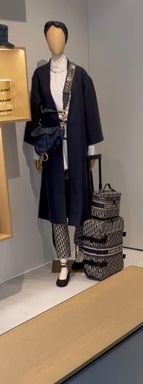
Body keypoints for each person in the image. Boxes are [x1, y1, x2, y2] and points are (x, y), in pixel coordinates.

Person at [24, 21, 103, 287]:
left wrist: (91, 151)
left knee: (79, 198)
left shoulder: (80, 75)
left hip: (77, 145)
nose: (53, 41)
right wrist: (37, 150)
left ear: (66, 39)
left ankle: (81, 251)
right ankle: (64, 260)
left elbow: (91, 112)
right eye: (49, 37)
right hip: (53, 150)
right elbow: (35, 113)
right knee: (57, 203)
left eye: (58, 36)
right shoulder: (39, 75)